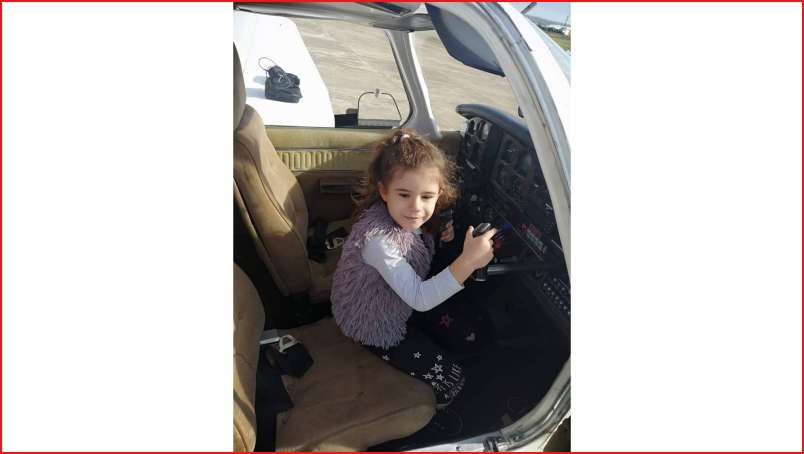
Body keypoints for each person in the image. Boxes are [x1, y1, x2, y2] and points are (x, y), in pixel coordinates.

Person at [330, 128, 496, 407]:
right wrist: (468, 261)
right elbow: (420, 298)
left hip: (397, 301)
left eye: (427, 197)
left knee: (469, 335)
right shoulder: (379, 241)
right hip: (374, 324)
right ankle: (440, 417)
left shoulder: (412, 222)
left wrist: (441, 238)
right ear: (384, 191)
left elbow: (417, 251)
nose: (416, 208)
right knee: (452, 378)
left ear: (439, 194)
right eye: (404, 194)